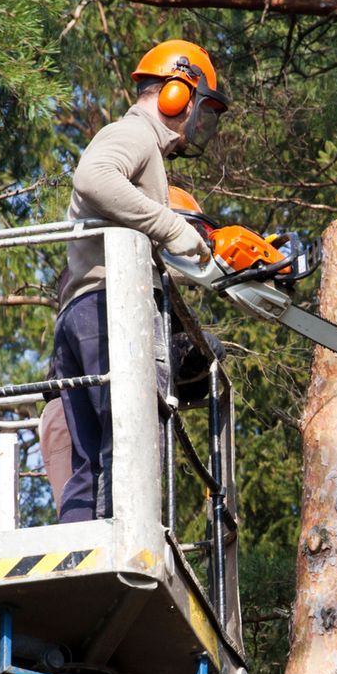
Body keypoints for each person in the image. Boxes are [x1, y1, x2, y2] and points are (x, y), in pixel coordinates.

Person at [51, 39, 227, 522]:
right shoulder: (134, 134)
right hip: (112, 311)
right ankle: (122, 541)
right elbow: (94, 178)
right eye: (201, 108)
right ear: (177, 94)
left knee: (91, 461)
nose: (199, 125)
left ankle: (80, 557)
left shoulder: (139, 145)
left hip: (83, 311)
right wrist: (171, 227)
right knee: (129, 445)